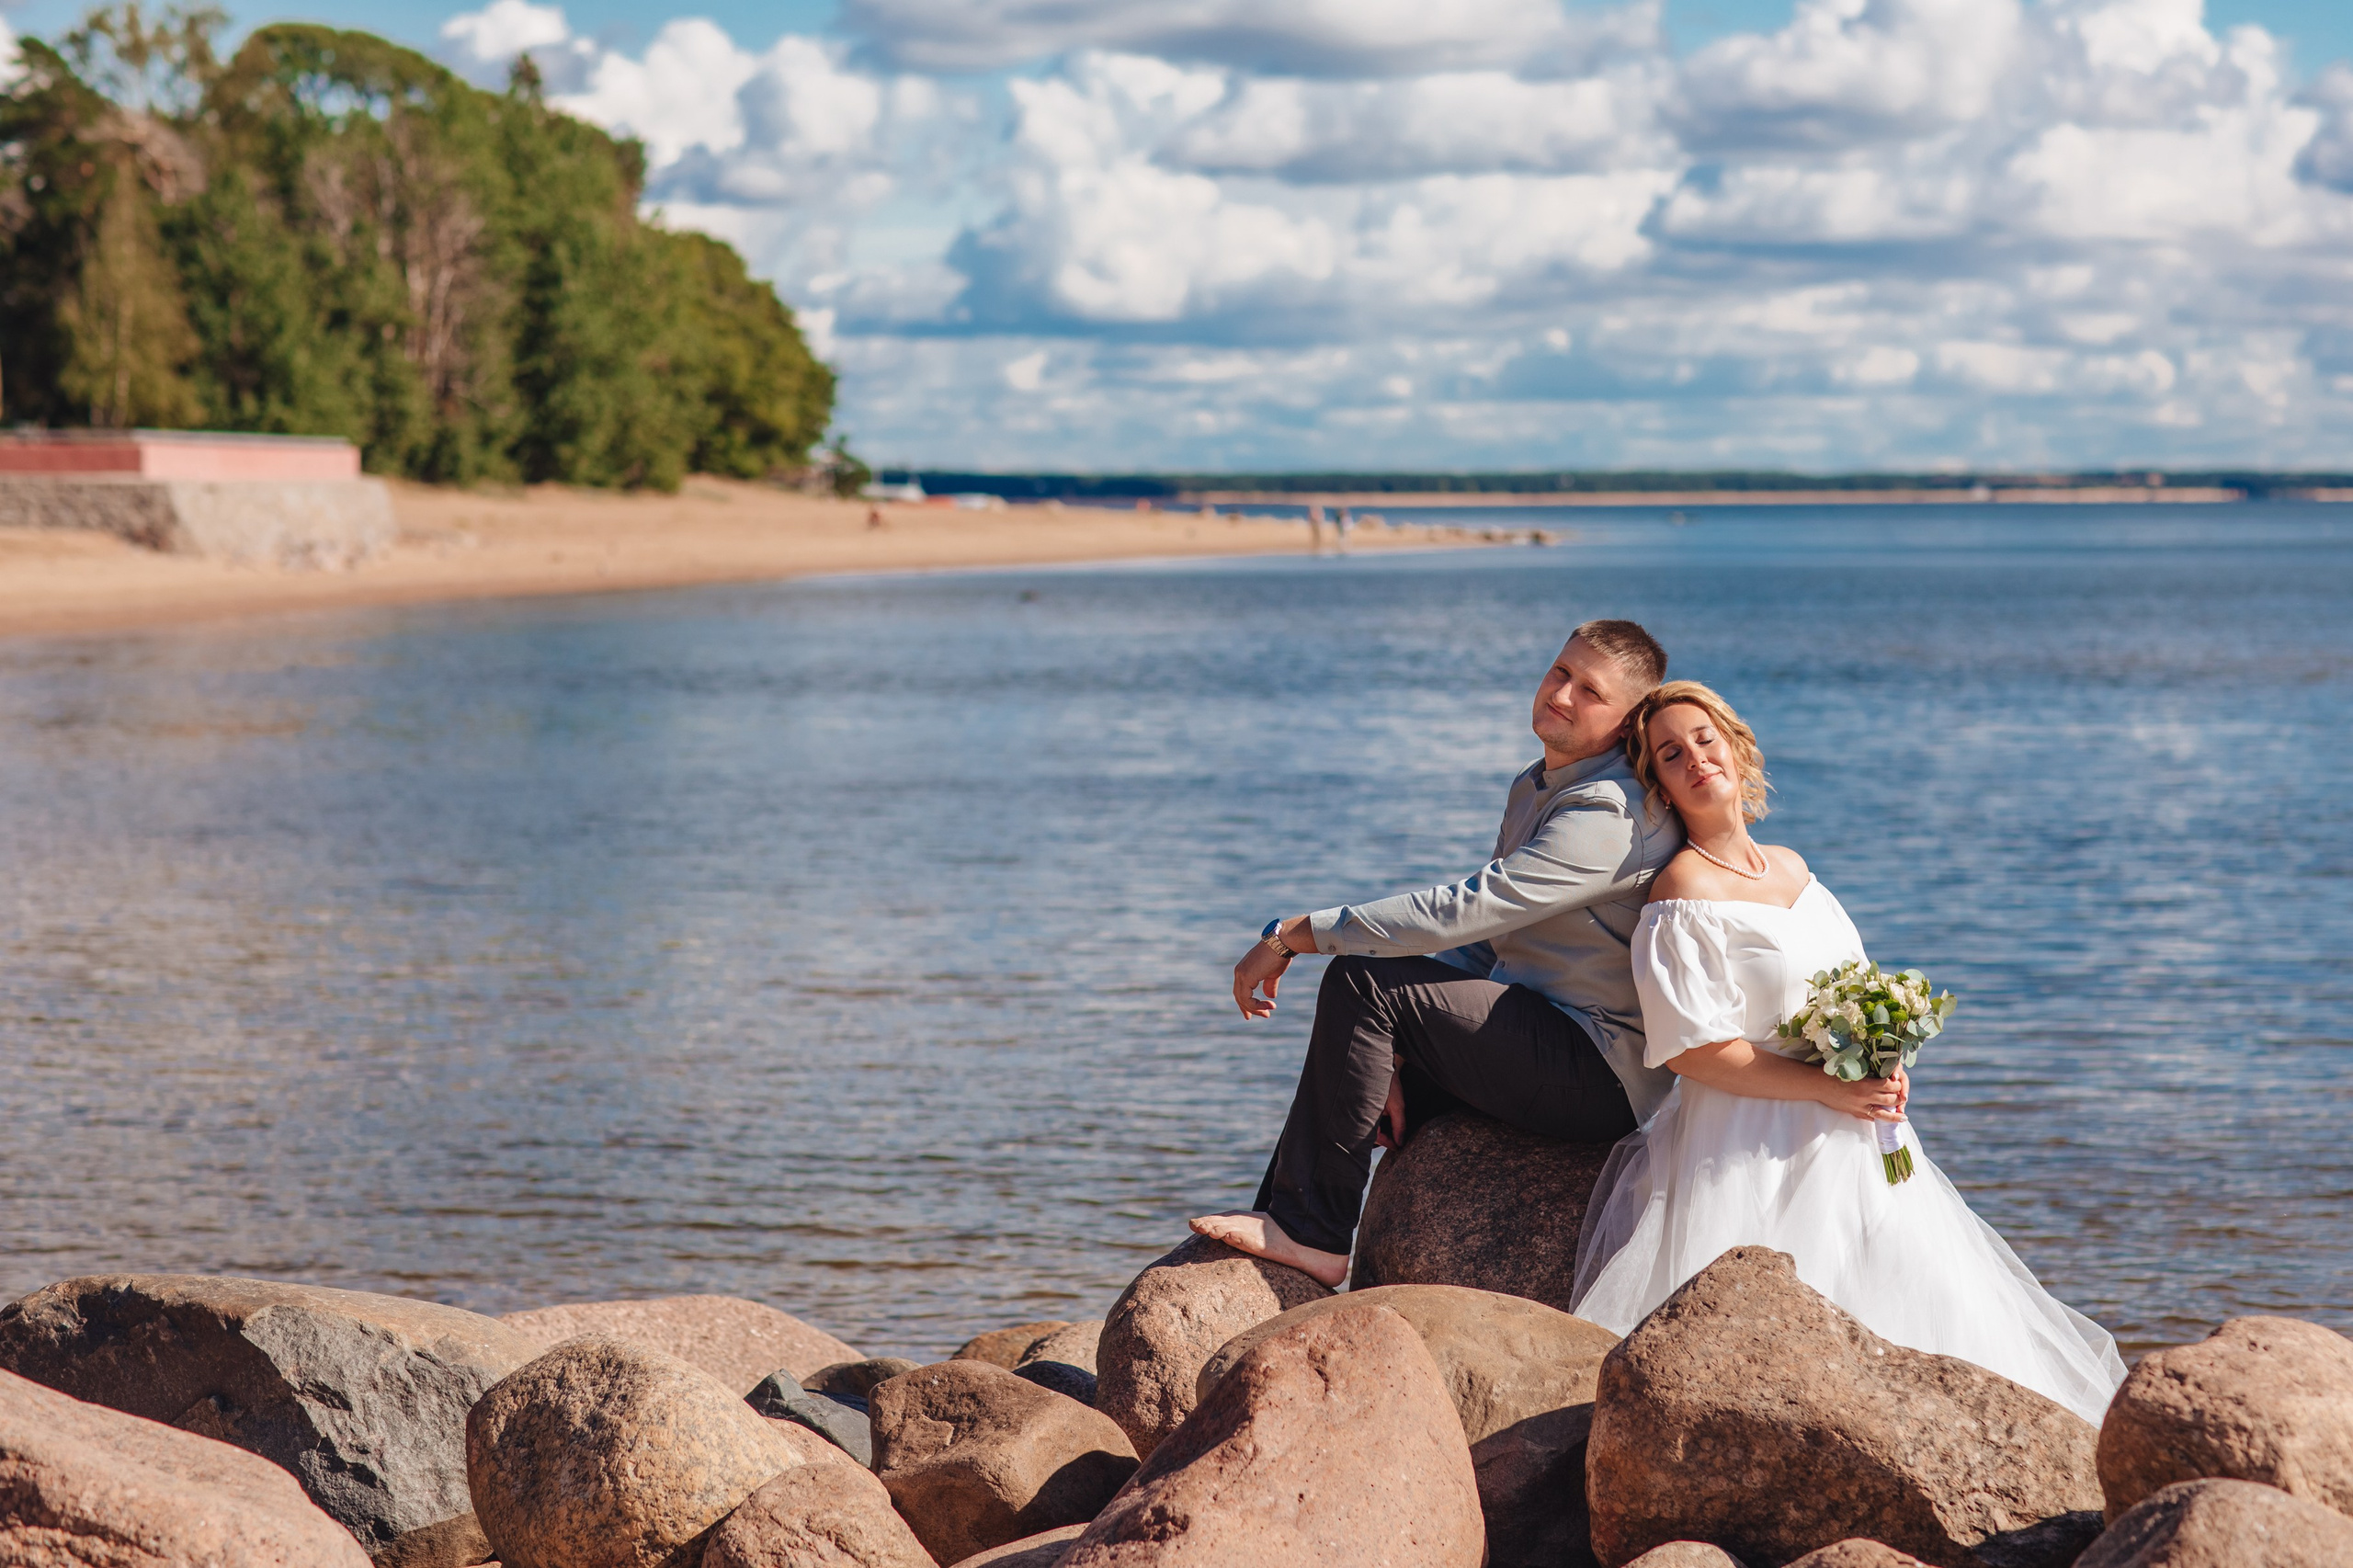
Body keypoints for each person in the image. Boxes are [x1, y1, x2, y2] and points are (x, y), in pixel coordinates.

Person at [1569, 681, 2126, 1422]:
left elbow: (1856, 991)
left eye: (1705, 739)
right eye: (1671, 754)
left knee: (1922, 1301)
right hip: (1750, 1144)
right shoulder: (1679, 894)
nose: (1696, 758)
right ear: (1660, 787)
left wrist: (1884, 1058)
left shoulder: (1794, 868)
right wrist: (1827, 1089)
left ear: (1734, 746)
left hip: (1862, 1133)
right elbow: (1692, 1051)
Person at [1190, 619, 1684, 1286]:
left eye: (1590, 691)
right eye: (1561, 672)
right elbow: (1490, 942)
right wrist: (1394, 1048)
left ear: (1627, 726)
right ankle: (1287, 1220)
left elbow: (1466, 910)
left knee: (1362, 984)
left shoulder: (1606, 816)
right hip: (1537, 1027)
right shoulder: (1540, 784)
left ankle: (1313, 1232)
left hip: (1599, 1072)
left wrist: (1296, 934)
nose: (1561, 695)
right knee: (1365, 1014)